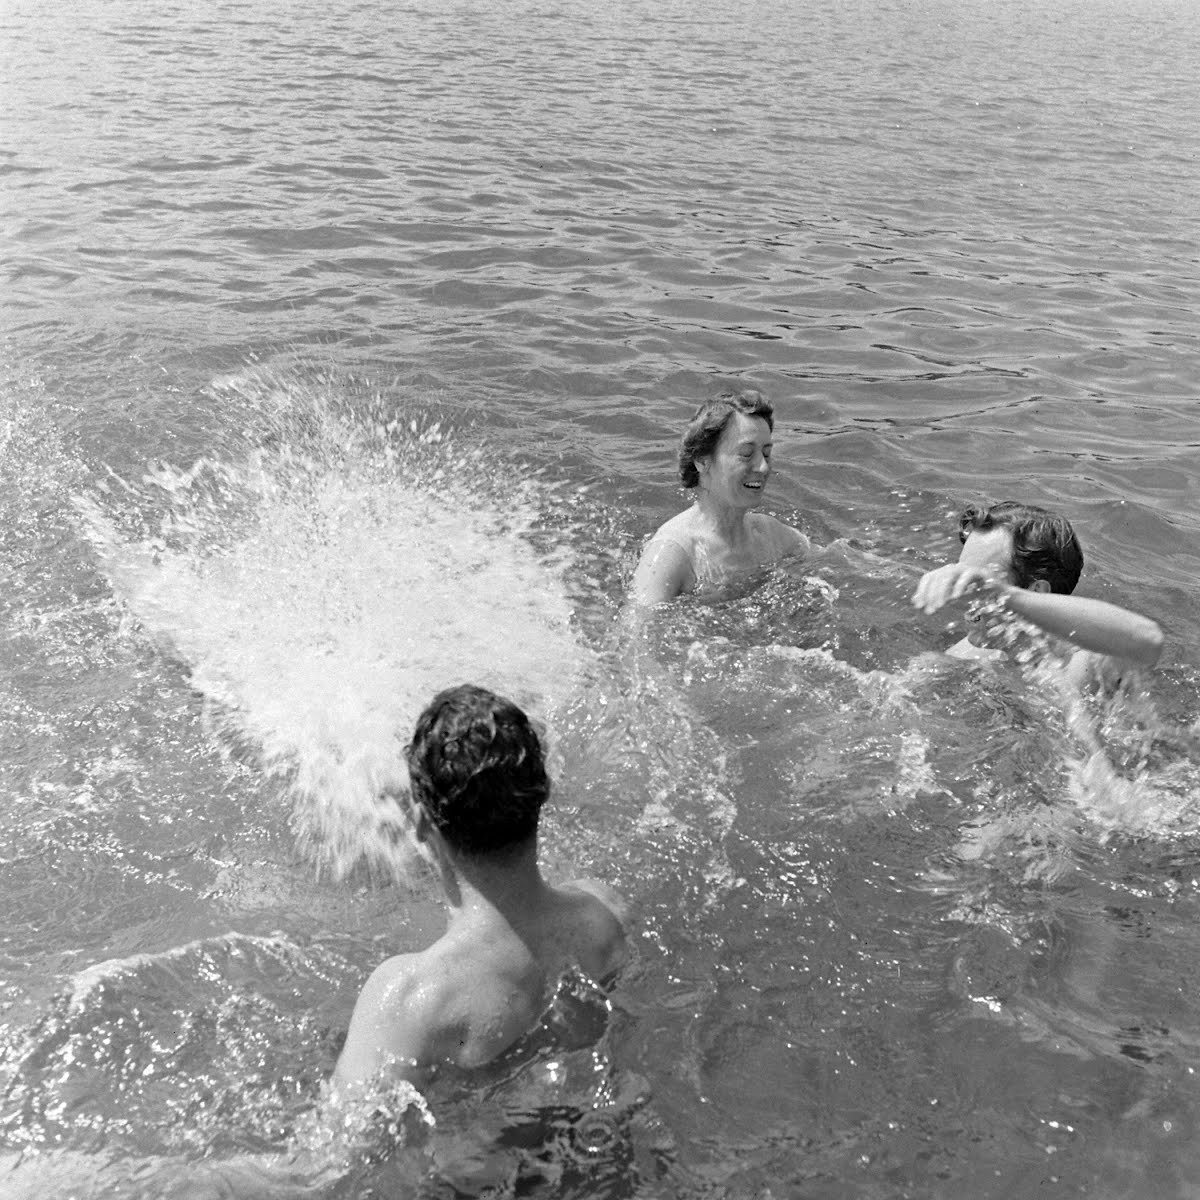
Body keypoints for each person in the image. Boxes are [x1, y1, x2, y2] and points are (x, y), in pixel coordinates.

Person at [332, 684, 628, 1096]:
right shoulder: (605, 917)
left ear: (421, 822)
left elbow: (343, 1155)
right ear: (541, 797)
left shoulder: (413, 1000)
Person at [911, 500, 1163, 672]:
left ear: (1035, 591)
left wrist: (1004, 596)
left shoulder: (1080, 663)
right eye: (962, 575)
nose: (963, 593)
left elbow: (1148, 639)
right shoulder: (964, 655)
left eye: (979, 582)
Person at [630, 388, 809, 605]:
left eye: (767, 453)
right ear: (702, 461)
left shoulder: (771, 535)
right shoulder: (672, 555)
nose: (762, 467)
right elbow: (636, 633)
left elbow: (835, 557)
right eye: (746, 454)